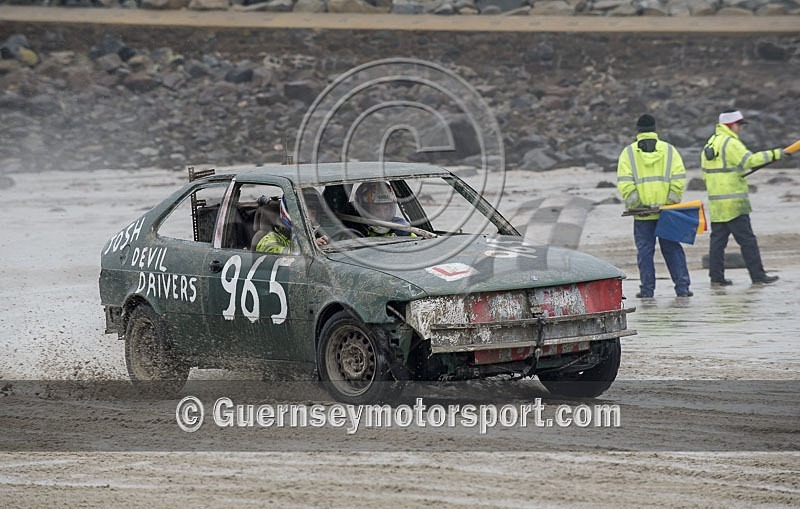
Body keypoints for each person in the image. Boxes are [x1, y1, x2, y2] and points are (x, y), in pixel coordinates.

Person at [701, 109, 784, 285]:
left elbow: (705, 174)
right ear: (731, 125)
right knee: (748, 241)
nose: (741, 129)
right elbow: (750, 161)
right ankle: (758, 276)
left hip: (717, 203)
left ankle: (716, 278)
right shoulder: (730, 143)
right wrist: (775, 154)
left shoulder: (711, 143)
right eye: (739, 125)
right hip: (734, 203)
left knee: (717, 243)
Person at [617, 114, 691, 298]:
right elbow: (679, 178)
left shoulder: (629, 153)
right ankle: (682, 289)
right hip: (667, 213)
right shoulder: (670, 150)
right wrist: (671, 202)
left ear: (638, 131)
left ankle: (647, 290)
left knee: (645, 252)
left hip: (642, 215)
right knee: (673, 249)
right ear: (655, 129)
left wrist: (638, 205)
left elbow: (625, 182)